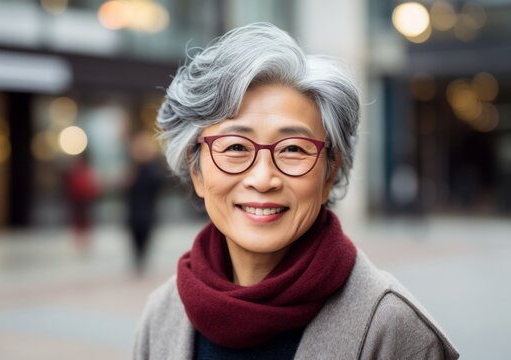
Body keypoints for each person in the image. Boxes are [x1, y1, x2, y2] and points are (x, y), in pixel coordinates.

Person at [133, 23, 459, 359]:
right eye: (234, 147)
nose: (263, 179)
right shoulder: (162, 315)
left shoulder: (393, 328)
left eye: (292, 149)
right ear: (196, 170)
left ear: (330, 172)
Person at [126, 132, 165, 274]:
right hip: (134, 212)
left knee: (145, 238)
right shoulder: (134, 168)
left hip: (147, 211)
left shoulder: (152, 168)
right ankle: (138, 261)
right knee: (135, 238)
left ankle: (141, 261)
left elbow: (157, 186)